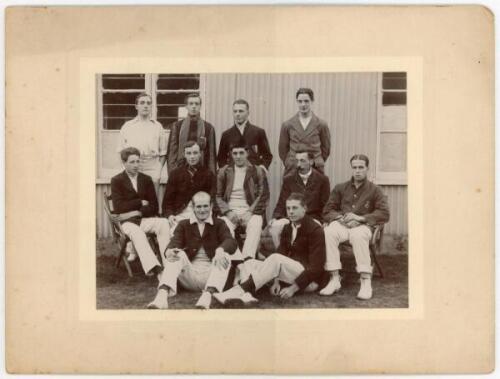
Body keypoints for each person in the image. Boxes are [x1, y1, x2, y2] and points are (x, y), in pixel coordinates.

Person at [214, 193, 326, 306]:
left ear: (304, 209)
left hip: (309, 281)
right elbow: (281, 252)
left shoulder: (315, 230)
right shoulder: (288, 227)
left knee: (275, 258)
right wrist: (276, 281)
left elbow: (316, 268)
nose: (291, 211)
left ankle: (238, 291)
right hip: (291, 273)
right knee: (248, 262)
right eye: (288, 208)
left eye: (295, 208)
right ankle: (247, 295)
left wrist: (293, 289)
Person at [147, 191, 238, 310]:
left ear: (211, 206)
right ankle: (162, 296)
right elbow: (175, 241)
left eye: (205, 206)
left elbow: (231, 242)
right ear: (193, 208)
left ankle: (207, 296)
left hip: (212, 276)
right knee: (177, 254)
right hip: (190, 276)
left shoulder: (219, 224)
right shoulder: (184, 224)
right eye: (198, 206)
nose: (202, 210)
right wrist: (169, 251)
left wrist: (220, 250)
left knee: (224, 256)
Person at [321, 154, 390, 300]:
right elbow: (328, 210)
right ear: (351, 169)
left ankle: (365, 281)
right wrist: (341, 218)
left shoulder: (375, 190)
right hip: (343, 225)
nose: (357, 171)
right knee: (329, 232)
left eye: (361, 167)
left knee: (358, 235)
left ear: (367, 169)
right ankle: (334, 279)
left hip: (363, 226)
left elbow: (384, 213)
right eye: (354, 167)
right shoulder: (340, 188)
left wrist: (361, 218)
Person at [111, 147, 171, 276]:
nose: (136, 165)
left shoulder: (146, 179)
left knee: (164, 223)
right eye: (132, 162)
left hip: (143, 218)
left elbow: (154, 206)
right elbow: (118, 207)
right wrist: (140, 202)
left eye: (138, 161)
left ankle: (169, 263)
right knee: (137, 233)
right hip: (126, 222)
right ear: (124, 162)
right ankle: (153, 267)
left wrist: (138, 212)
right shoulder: (117, 181)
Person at [216, 141, 269, 262]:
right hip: (229, 211)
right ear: (231, 154)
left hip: (249, 210)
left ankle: (247, 259)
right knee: (224, 226)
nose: (238, 156)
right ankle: (236, 260)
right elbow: (217, 196)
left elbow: (263, 195)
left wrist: (250, 212)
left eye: (241, 153)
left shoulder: (257, 171)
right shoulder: (224, 171)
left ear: (247, 153)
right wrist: (228, 212)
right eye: (235, 153)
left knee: (256, 222)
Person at [268, 150, 330, 248]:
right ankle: (282, 255)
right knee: (275, 227)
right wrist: (275, 217)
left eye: (302, 161)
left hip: (312, 217)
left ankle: (309, 258)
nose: (298, 164)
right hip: (291, 217)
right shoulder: (289, 179)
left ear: (311, 161)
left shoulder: (322, 180)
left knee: (316, 230)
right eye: (297, 161)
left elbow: (326, 203)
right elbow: (282, 201)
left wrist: (326, 220)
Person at [116, 92, 167, 198]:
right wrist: (126, 168)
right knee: (134, 198)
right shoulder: (128, 126)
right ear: (136, 106)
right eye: (142, 103)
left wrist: (158, 169)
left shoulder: (157, 126)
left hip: (152, 167)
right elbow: (121, 150)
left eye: (148, 103)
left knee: (152, 201)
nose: (146, 105)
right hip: (133, 167)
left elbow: (163, 152)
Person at [162, 141, 216, 230]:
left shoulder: (208, 174)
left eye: (195, 153)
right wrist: (170, 215)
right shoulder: (175, 174)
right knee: (175, 234)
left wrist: (208, 213)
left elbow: (212, 198)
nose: (192, 156)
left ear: (200, 154)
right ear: (184, 154)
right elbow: (167, 202)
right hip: (180, 214)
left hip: (201, 213)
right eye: (189, 153)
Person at [278, 88, 331, 176]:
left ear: (312, 101)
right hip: (294, 167)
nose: (303, 105)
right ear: (297, 102)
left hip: (315, 167)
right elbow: (282, 150)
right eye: (300, 101)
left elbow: (326, 149)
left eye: (306, 101)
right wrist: (290, 162)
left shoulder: (321, 124)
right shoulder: (288, 124)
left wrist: (317, 161)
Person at [167, 93, 217, 174]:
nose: (194, 106)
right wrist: (172, 174)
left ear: (200, 106)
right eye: (191, 104)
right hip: (181, 170)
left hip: (202, 172)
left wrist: (212, 175)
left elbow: (212, 156)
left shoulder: (208, 128)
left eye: (196, 104)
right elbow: (172, 153)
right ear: (186, 106)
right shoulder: (177, 126)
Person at [217, 99, 273, 170]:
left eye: (241, 111)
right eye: (235, 111)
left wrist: (261, 168)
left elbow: (267, 156)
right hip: (233, 177)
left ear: (248, 112)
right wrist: (226, 171)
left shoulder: (258, 132)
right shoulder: (226, 134)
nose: (237, 114)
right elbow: (221, 158)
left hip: (253, 175)